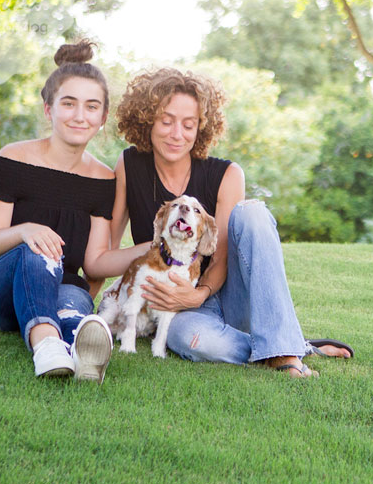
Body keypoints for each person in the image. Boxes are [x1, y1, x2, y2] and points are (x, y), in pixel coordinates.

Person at [101, 67, 353, 377]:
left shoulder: (227, 175)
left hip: (229, 297)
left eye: (188, 125)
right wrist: (156, 249)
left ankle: (283, 349)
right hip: (182, 313)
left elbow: (219, 260)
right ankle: (291, 345)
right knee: (189, 341)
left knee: (252, 212)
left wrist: (199, 293)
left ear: (201, 128)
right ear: (146, 119)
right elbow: (105, 257)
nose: (176, 134)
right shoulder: (129, 166)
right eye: (166, 121)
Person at [0, 40, 120, 383]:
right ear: (49, 109)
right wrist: (24, 230)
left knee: (73, 304)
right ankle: (47, 346)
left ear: (103, 117)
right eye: (69, 103)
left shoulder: (105, 178)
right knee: (38, 248)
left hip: (61, 286)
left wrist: (151, 252)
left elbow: (93, 265)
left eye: (92, 107)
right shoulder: (13, 158)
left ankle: (82, 344)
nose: (80, 115)